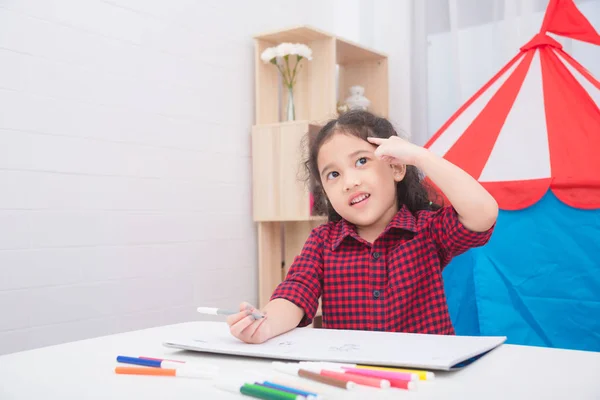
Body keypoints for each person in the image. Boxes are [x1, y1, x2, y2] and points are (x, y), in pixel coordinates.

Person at [228, 110, 498, 343]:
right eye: (333, 174)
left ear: (396, 168)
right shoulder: (322, 241)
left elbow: (483, 213)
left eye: (361, 161)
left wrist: (422, 157)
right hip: (354, 379)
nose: (349, 182)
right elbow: (295, 293)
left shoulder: (426, 230)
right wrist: (266, 324)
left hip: (427, 378)